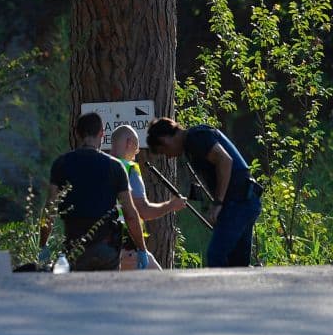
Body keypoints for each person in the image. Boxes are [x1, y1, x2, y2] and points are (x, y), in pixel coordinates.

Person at [147, 117, 262, 267]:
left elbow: (225, 161)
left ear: (165, 139)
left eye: (164, 151)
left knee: (216, 256)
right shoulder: (193, 142)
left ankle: (216, 291)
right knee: (238, 264)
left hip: (238, 202)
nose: (168, 156)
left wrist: (218, 203)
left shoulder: (195, 137)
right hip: (247, 200)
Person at [40, 112, 150, 271]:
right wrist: (141, 249)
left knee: (78, 294)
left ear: (77, 134)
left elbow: (49, 210)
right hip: (107, 249)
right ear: (101, 134)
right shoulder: (115, 167)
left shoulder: (61, 164)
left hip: (75, 248)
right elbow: (130, 214)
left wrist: (43, 245)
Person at [108, 124, 186, 270]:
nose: (137, 152)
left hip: (102, 246)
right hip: (128, 247)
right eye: (136, 147)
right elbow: (143, 211)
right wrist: (171, 205)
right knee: (162, 284)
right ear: (129, 143)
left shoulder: (101, 167)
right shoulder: (129, 169)